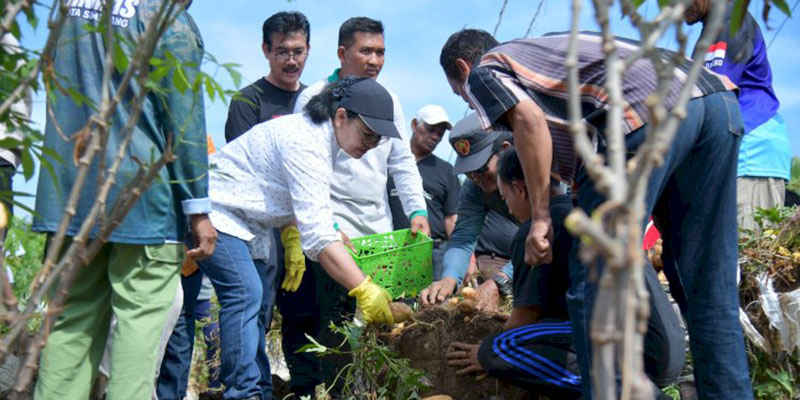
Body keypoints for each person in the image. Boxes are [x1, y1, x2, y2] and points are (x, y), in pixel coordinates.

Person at [439, 28, 745, 398]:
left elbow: (529, 122)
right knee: (705, 285)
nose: (478, 110)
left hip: (645, 112)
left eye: (465, 99)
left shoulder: (487, 69)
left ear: (462, 67)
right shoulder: (552, 68)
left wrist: (539, 219)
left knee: (595, 288)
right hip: (713, 100)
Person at [32, 2, 215, 399]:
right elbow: (184, 122)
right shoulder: (169, 21)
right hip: (143, 202)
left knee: (70, 324)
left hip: (71, 194)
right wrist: (197, 208)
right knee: (139, 329)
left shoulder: (71, 8)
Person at [192, 76, 399, 400]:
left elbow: (303, 206)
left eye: (377, 140)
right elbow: (318, 239)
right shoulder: (307, 141)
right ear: (341, 116)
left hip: (249, 224)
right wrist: (363, 288)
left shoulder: (321, 140)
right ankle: (244, 393)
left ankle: (258, 389)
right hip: (217, 211)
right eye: (367, 135)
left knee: (256, 302)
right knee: (245, 293)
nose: (370, 145)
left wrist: (329, 232)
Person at [157, 12, 313, 400]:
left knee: (294, 311)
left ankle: (289, 388)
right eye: (282, 52)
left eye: (298, 51)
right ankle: (250, 388)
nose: (291, 60)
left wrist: (297, 232)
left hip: (295, 222)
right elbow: (248, 178)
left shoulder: (312, 103)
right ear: (266, 51)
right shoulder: (248, 100)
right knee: (249, 304)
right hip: (247, 223)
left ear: (309, 49)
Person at [283, 17, 428, 398]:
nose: (375, 60)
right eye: (366, 51)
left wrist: (417, 211)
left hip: (377, 230)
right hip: (334, 229)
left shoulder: (389, 99)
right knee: (337, 326)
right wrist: (325, 224)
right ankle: (340, 393)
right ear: (342, 53)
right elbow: (305, 169)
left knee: (383, 325)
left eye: (381, 51)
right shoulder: (316, 97)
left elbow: (401, 163)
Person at [446, 147, 581, 399]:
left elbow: (527, 313)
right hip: (614, 331)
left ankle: (585, 386)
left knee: (495, 351)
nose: (508, 208)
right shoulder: (574, 209)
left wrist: (484, 355)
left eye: (506, 197)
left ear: (520, 189)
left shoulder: (533, 232)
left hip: (590, 343)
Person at [685, 0, 791, 233]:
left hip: (751, 153)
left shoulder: (732, 20)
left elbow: (713, 92)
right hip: (729, 154)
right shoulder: (710, 31)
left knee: (747, 257)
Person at [418, 115, 518, 310]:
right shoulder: (475, 187)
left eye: (480, 168)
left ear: (505, 151)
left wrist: (503, 279)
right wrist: (449, 278)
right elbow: (463, 237)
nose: (475, 177)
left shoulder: (535, 174)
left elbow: (545, 233)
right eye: (468, 171)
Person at [387, 104, 459, 279]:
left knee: (431, 304)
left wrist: (463, 257)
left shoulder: (446, 171)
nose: (435, 137)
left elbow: (452, 218)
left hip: (432, 252)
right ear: (414, 125)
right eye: (430, 129)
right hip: (389, 247)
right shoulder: (389, 161)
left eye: (440, 133)